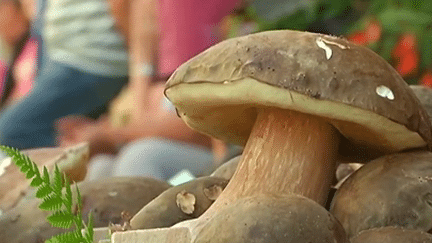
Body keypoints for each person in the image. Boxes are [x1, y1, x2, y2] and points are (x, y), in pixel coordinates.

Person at [56, 0, 242, 181]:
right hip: (169, 133)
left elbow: (199, 130)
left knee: (140, 157)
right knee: (100, 167)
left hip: (222, 156)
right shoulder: (147, 68)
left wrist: (108, 135)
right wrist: (100, 134)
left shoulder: (207, 33)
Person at [0, 0, 129, 149]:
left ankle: (92, 147)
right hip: (69, 58)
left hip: (88, 58)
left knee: (10, 132)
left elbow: (120, 5)